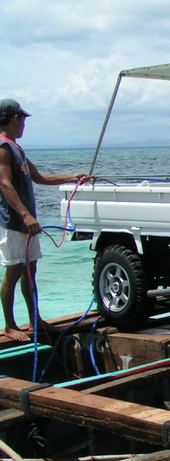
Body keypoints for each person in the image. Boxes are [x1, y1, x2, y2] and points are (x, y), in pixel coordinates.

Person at [0, 99, 86, 341]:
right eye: (23, 120)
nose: (24, 125)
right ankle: (9, 325)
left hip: (27, 224)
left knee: (31, 271)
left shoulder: (17, 148)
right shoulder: (3, 148)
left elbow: (39, 177)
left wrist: (72, 177)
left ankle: (35, 320)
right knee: (14, 271)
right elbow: (4, 183)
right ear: (15, 118)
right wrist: (25, 215)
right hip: (13, 223)